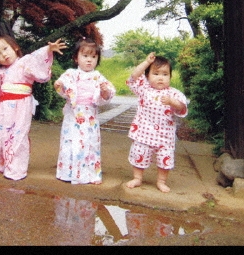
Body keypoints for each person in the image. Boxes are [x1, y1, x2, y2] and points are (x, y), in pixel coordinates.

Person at [0, 35, 67, 180]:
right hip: (5, 108)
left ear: (15, 47)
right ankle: (2, 164)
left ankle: (17, 169)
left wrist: (48, 49)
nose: (4, 55)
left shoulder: (25, 62)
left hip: (22, 105)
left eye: (5, 49)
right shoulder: (0, 73)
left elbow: (36, 57)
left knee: (19, 134)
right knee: (3, 135)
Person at [54, 37, 116, 185]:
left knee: (89, 143)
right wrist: (59, 85)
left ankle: (90, 174)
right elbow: (61, 86)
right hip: (73, 113)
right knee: (70, 141)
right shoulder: (71, 73)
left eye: (93, 57)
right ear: (76, 58)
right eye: (85, 55)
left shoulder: (98, 76)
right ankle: (68, 172)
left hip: (90, 115)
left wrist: (104, 91)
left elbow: (108, 94)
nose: (89, 60)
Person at [125, 52, 187, 193]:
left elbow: (182, 107)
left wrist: (172, 102)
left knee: (165, 158)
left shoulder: (173, 93)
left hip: (164, 136)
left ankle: (161, 181)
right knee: (139, 153)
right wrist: (146, 62)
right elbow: (134, 77)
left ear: (170, 76)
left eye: (165, 74)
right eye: (156, 73)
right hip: (144, 132)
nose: (160, 77)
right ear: (147, 76)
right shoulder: (144, 89)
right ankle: (137, 178)